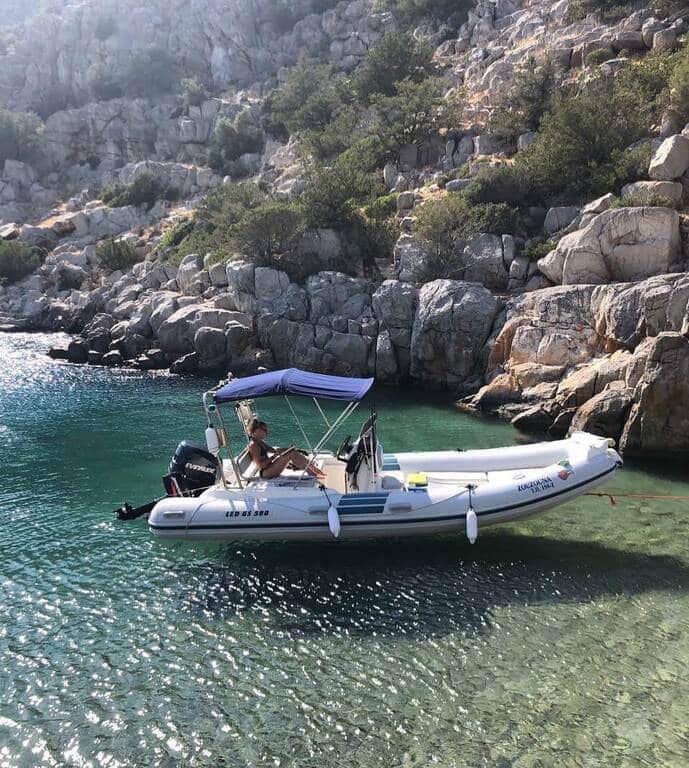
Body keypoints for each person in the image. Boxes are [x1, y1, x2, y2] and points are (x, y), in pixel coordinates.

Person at [248, 419, 326, 481]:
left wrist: (287, 449)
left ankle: (313, 468)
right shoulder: (254, 445)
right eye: (264, 430)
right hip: (266, 473)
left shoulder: (259, 442)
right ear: (256, 430)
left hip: (270, 468)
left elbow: (273, 450)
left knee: (292, 452)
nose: (267, 432)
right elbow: (261, 465)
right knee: (291, 454)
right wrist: (274, 456)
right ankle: (312, 473)